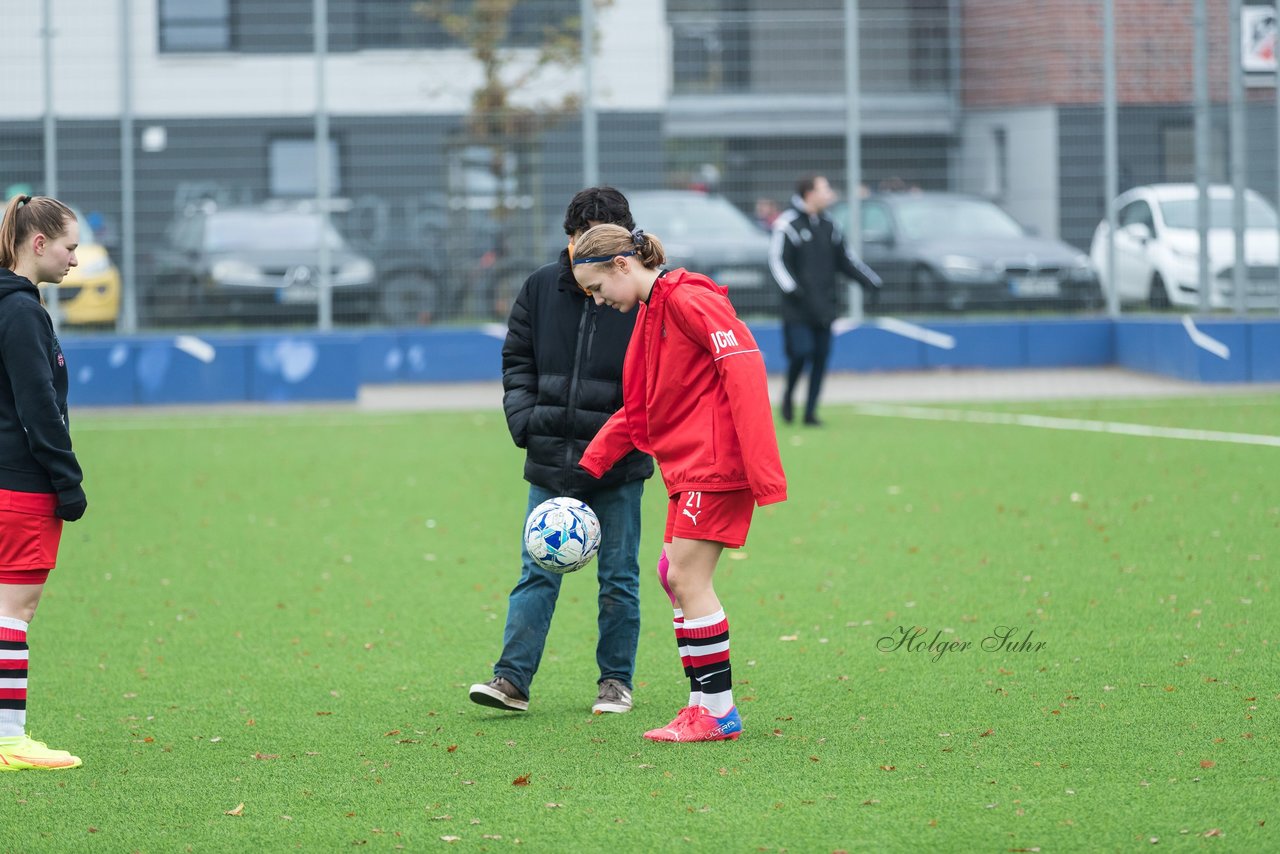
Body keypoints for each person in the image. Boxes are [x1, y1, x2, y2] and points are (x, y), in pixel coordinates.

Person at [573, 224, 787, 743]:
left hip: (715, 466)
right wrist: (589, 464)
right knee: (673, 574)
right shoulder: (653, 309)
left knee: (689, 580)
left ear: (622, 265)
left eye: (598, 289)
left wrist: (762, 471)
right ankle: (699, 706)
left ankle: (717, 712)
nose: (598, 301)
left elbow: (744, 369)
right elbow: (645, 404)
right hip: (687, 466)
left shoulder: (690, 299)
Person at [469, 188, 654, 715]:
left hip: (619, 465)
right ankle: (511, 680)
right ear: (568, 238)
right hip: (551, 457)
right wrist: (526, 421)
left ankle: (615, 681)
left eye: (600, 240)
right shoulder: (538, 288)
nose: (586, 251)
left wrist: (634, 435)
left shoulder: (643, 295)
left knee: (619, 575)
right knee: (537, 569)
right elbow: (516, 358)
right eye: (580, 239)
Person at [0, 194, 88, 771]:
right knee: (14, 613)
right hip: (21, 484)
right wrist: (68, 479)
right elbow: (38, 407)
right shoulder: (21, 311)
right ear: (38, 244)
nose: (75, 261)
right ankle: (10, 741)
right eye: (69, 247)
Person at [769, 174, 882, 426]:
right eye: (824, 189)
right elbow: (777, 261)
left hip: (824, 307)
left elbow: (846, 260)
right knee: (801, 352)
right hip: (797, 309)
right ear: (809, 194)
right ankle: (788, 395)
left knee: (820, 358)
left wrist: (870, 282)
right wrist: (793, 289)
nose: (829, 194)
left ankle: (810, 413)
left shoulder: (829, 226)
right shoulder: (788, 224)